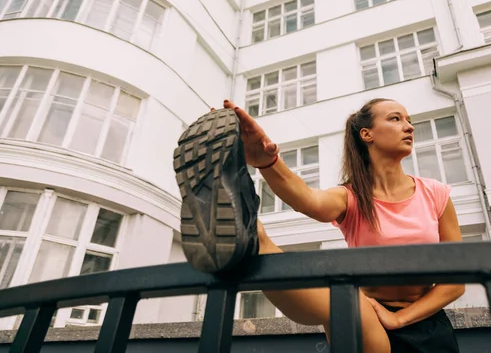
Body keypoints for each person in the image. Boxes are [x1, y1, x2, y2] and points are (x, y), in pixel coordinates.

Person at [173, 97, 465, 353]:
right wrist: (266, 160)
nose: (409, 126)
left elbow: (455, 282)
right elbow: (307, 199)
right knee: (345, 297)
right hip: (365, 320)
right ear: (367, 134)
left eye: (409, 120)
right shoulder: (351, 196)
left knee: (345, 296)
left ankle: (250, 239)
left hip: (426, 325)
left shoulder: (435, 194)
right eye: (396, 119)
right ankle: (251, 237)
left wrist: (400, 318)